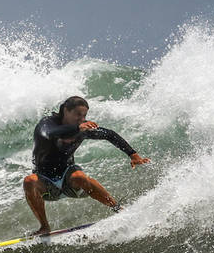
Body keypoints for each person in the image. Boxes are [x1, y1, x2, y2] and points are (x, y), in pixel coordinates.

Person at [23, 95, 150, 236]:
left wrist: (133, 154)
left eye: (84, 115)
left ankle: (118, 208)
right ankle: (44, 227)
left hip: (68, 177)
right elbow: (50, 134)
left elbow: (109, 134)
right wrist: (77, 128)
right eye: (78, 114)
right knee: (29, 181)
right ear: (65, 110)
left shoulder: (82, 129)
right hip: (45, 182)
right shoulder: (47, 123)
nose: (82, 119)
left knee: (79, 176)